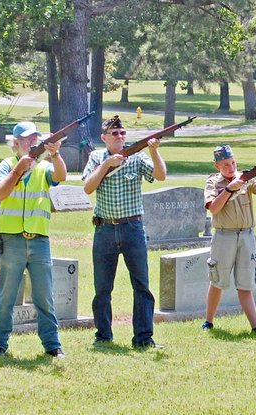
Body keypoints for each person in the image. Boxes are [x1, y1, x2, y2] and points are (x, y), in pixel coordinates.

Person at [82, 115, 166, 349]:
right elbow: (88, 187)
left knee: (141, 286)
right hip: (105, 227)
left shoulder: (137, 157)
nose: (120, 137)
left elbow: (160, 175)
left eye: (122, 133)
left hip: (132, 228)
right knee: (102, 288)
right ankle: (103, 335)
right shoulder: (96, 157)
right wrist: (107, 165)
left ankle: (143, 337)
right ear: (104, 138)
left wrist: (154, 152)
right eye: (114, 134)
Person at [0, 121, 66, 358]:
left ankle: (52, 345)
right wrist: (18, 170)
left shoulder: (44, 166)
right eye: (25, 139)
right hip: (11, 239)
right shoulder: (7, 164)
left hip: (39, 239)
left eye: (34, 138)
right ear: (16, 144)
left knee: (45, 296)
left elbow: (61, 176)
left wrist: (55, 154)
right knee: (7, 296)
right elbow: (0, 193)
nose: (31, 142)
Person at [201, 144, 256, 335]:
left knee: (246, 282)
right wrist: (229, 189)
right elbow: (213, 208)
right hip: (225, 235)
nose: (230, 168)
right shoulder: (213, 183)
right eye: (225, 165)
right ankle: (208, 321)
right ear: (217, 166)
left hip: (247, 234)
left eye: (232, 163)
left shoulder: (245, 180)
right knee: (218, 280)